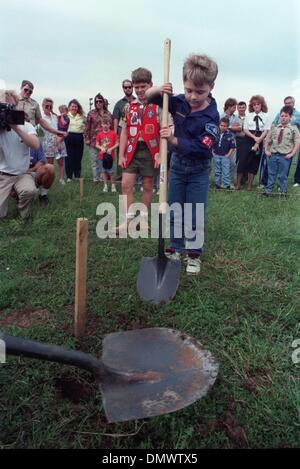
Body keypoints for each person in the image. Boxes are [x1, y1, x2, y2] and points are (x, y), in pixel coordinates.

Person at [146, 54, 219, 274]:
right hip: (177, 166)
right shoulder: (177, 101)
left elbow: (203, 147)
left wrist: (174, 140)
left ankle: (194, 254)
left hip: (198, 170)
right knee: (175, 209)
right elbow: (149, 97)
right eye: (188, 90)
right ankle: (175, 248)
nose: (193, 96)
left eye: (200, 91)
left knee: (194, 212)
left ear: (211, 87)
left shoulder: (211, 116)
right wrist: (159, 89)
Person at [115, 67, 161, 234]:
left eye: (144, 86)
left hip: (150, 150)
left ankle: (142, 219)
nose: (140, 90)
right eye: (137, 87)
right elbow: (124, 131)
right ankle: (127, 220)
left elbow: (163, 132)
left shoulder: (158, 106)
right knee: (126, 184)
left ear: (151, 85)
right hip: (131, 149)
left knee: (148, 185)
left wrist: (160, 154)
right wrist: (120, 155)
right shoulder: (129, 107)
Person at [0, 90, 39, 219]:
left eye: (10, 106)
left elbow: (35, 145)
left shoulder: (26, 126)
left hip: (22, 174)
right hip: (4, 175)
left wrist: (15, 127)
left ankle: (23, 215)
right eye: (3, 106)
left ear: (16, 106)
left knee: (29, 191)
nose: (6, 110)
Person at [263, 106, 300, 196]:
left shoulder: (293, 128)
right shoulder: (275, 128)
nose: (283, 118)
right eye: (282, 116)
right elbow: (268, 140)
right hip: (273, 154)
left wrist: (292, 153)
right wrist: (266, 150)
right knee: (271, 174)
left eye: (286, 116)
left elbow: (297, 142)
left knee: (282, 175)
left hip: (285, 156)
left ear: (290, 117)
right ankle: (268, 191)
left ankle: (283, 192)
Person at [236, 95, 270, 191]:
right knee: (242, 160)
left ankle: (249, 186)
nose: (256, 106)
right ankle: (238, 184)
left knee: (254, 162)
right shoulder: (248, 116)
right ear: (252, 106)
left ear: (261, 105)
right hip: (248, 139)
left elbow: (266, 130)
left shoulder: (266, 116)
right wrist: (254, 137)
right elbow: (245, 129)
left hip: (260, 138)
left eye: (258, 104)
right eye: (254, 104)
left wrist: (259, 140)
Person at [84, 93, 112, 182]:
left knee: (103, 160)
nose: (98, 103)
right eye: (96, 101)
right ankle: (95, 179)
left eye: (100, 101)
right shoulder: (91, 113)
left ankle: (102, 178)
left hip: (105, 141)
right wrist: (87, 138)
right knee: (94, 161)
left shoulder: (108, 113)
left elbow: (111, 127)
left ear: (103, 102)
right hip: (93, 141)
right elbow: (87, 127)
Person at [273, 96, 300, 188]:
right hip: (278, 141)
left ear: (293, 103)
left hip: (290, 143)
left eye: (290, 103)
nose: (288, 105)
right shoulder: (279, 114)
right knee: (275, 162)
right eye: (286, 103)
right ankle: (271, 182)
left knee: (286, 163)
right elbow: (274, 124)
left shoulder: (298, 115)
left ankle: (283, 184)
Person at [113, 80, 136, 182]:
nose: (127, 89)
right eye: (125, 87)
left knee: (134, 153)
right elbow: (116, 120)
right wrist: (115, 135)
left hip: (135, 132)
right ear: (123, 88)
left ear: (132, 87)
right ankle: (120, 178)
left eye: (129, 87)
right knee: (121, 154)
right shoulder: (119, 103)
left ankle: (135, 179)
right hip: (122, 131)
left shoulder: (137, 101)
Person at [220, 98, 241, 187]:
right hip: (222, 143)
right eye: (234, 107)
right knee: (222, 162)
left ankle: (231, 182)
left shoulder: (236, 117)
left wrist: (228, 127)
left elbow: (239, 128)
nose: (235, 108)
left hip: (232, 144)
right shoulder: (221, 116)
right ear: (229, 106)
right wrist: (233, 127)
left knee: (232, 163)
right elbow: (219, 128)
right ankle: (222, 182)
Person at [95, 115, 119, 192]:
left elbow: (117, 143)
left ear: (109, 124)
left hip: (110, 157)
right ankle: (105, 185)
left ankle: (113, 186)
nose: (105, 125)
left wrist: (111, 149)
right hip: (102, 156)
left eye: (107, 124)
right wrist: (101, 148)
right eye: (104, 124)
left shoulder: (113, 133)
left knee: (111, 172)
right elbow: (97, 144)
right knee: (104, 171)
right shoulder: (99, 134)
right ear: (101, 124)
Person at [213, 117, 236, 189]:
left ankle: (226, 185)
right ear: (219, 125)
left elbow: (232, 147)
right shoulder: (215, 134)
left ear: (227, 126)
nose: (223, 127)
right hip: (216, 155)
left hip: (225, 156)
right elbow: (212, 144)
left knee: (226, 171)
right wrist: (213, 152)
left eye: (225, 126)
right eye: (221, 125)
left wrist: (228, 155)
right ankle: (217, 185)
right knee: (217, 171)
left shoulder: (230, 135)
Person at [65, 99, 85, 181]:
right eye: (72, 106)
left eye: (76, 106)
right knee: (69, 157)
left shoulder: (82, 116)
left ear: (78, 107)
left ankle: (77, 175)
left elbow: (86, 126)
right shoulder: (65, 116)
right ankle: (69, 176)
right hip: (68, 137)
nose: (74, 108)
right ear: (69, 107)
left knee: (78, 157)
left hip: (79, 137)